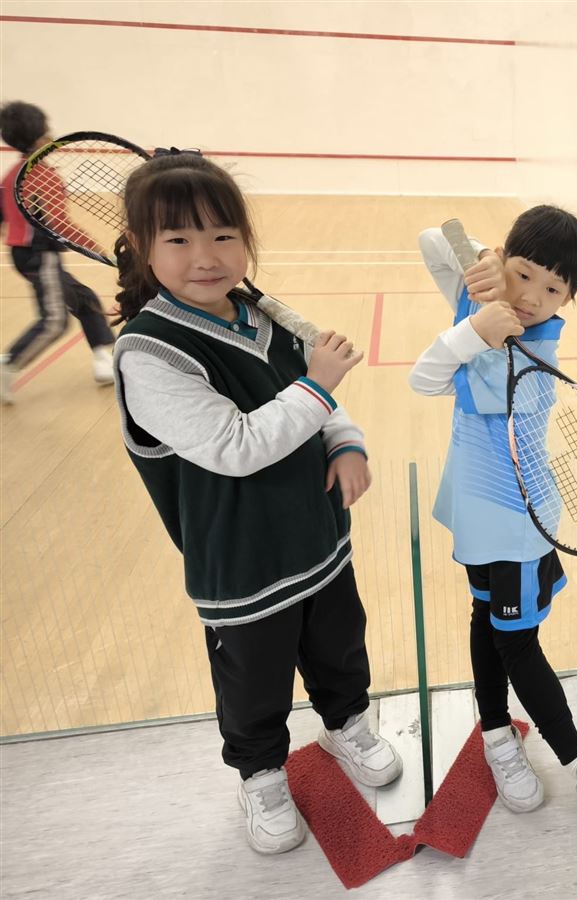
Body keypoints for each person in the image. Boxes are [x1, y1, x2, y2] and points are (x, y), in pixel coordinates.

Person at [110, 151, 399, 854]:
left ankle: (346, 724)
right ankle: (262, 774)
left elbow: (311, 398)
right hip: (240, 564)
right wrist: (320, 387)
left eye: (223, 235)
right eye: (179, 239)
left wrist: (344, 441)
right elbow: (236, 445)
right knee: (254, 683)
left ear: (247, 240)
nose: (205, 257)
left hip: (317, 536)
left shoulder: (257, 314)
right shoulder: (149, 354)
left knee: (339, 647)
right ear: (144, 248)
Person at [411, 206, 577, 812]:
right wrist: (484, 262)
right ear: (505, 262)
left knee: (501, 631)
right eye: (523, 274)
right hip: (493, 522)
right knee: (511, 637)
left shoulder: (531, 357)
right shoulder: (486, 297)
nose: (532, 297)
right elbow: (433, 239)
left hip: (516, 521)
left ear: (569, 299)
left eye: (554, 289)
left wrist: (475, 329)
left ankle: (499, 739)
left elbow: (428, 379)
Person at [0, 101, 116, 403]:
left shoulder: (11, 175)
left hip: (25, 255)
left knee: (84, 299)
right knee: (54, 322)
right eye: (47, 131)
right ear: (40, 139)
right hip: (40, 257)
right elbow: (59, 224)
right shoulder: (43, 175)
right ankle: (8, 364)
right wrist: (98, 249)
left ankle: (103, 360)